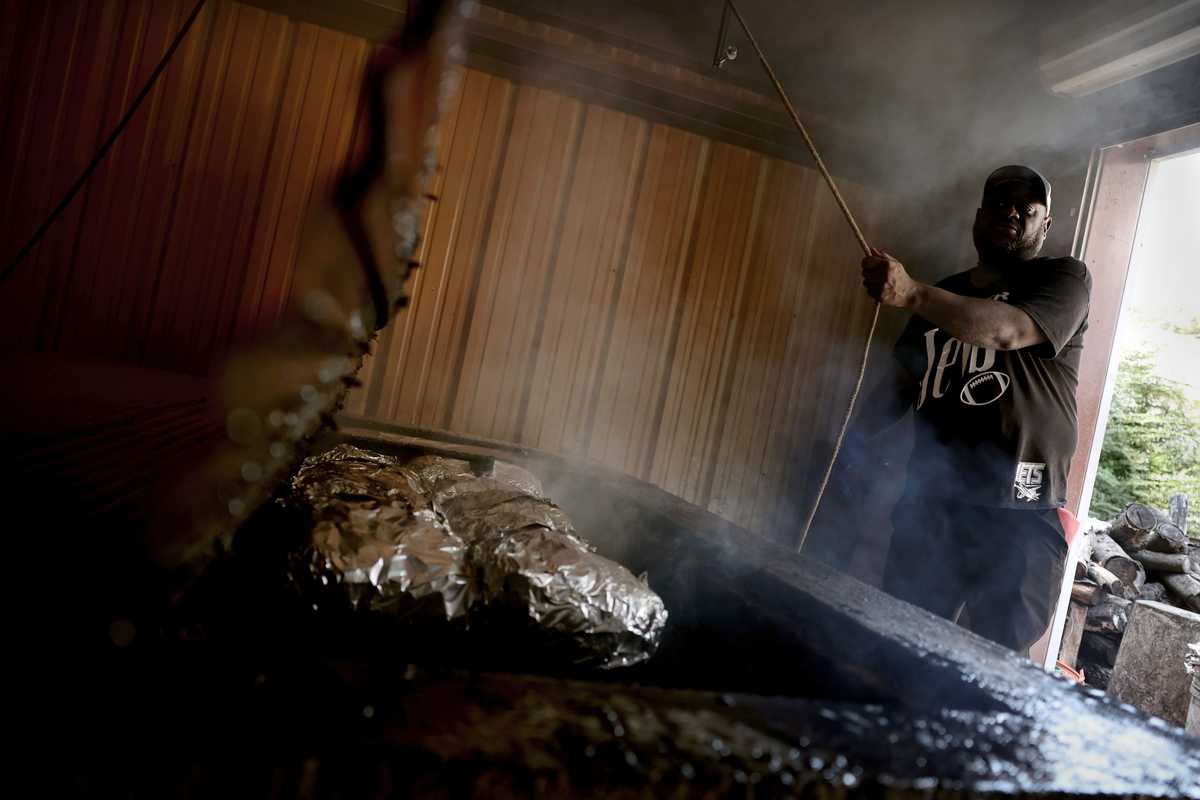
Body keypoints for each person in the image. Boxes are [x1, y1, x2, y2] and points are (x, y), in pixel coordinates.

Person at [855, 165, 1090, 652]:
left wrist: (914, 293)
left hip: (1020, 511)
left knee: (998, 668)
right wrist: (851, 453)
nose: (1013, 212)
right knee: (902, 649)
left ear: (1044, 227)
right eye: (1001, 202)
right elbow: (898, 388)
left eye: (1029, 208)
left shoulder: (1061, 278)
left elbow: (1007, 331)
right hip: (933, 507)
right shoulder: (945, 291)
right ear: (978, 217)